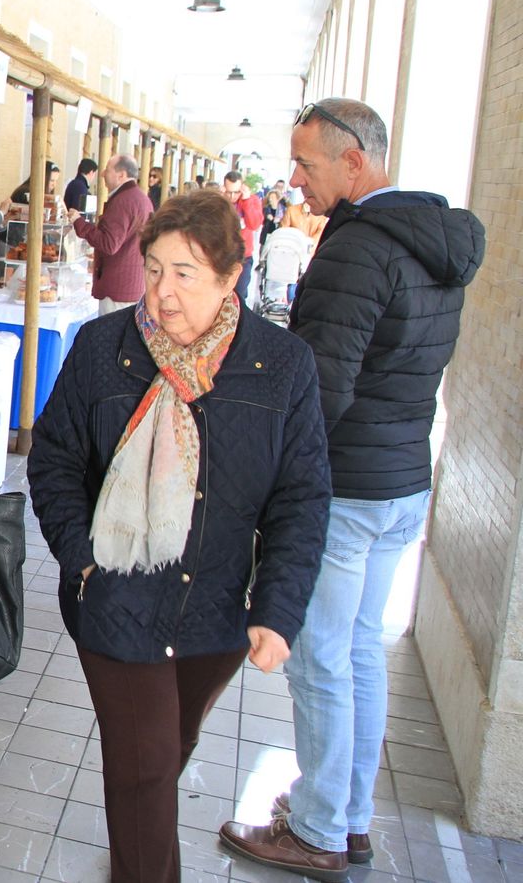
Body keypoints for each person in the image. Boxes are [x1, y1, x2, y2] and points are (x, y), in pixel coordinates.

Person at [30, 191, 331, 883]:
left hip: (217, 608)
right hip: (116, 597)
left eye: (186, 274)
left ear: (231, 278)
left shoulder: (281, 365)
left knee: (167, 749)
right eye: (155, 268)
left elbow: (301, 496)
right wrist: (84, 562)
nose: (162, 292)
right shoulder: (104, 349)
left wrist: (278, 609)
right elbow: (54, 461)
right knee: (143, 767)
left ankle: (137, 842)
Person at [220, 98, 485, 881]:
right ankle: (349, 812)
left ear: (355, 162)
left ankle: (320, 826)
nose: (293, 178)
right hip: (403, 480)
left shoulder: (358, 248)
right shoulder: (437, 243)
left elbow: (320, 387)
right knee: (360, 650)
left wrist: (267, 473)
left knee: (319, 658)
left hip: (346, 485)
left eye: (305, 162)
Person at [71, 154, 153, 315]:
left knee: (112, 338)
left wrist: (79, 223)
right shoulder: (141, 198)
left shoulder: (123, 201)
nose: (102, 174)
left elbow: (109, 244)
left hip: (118, 288)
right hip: (133, 284)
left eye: (107, 170)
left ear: (121, 175)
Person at [222, 171, 264, 303]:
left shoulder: (252, 201)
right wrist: (220, 198)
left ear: (242, 188)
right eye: (229, 192)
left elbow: (254, 224)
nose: (232, 196)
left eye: (236, 192)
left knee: (239, 294)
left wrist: (246, 201)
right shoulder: (220, 200)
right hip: (222, 254)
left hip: (243, 256)